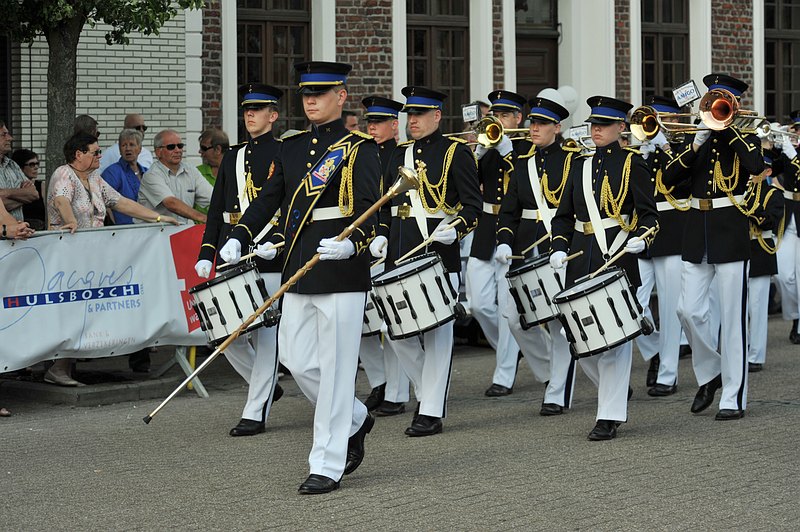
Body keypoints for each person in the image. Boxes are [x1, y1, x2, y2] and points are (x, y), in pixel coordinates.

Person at [221, 61, 381, 494]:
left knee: (335, 368)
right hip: (298, 263)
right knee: (295, 358)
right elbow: (269, 200)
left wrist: (354, 244)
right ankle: (354, 417)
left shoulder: (360, 149)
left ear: (341, 96)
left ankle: (325, 463)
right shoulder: (289, 149)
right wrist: (238, 234)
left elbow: (371, 206)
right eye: (306, 93)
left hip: (342, 268)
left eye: (321, 93)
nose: (310, 100)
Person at [549, 95, 658, 440]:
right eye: (594, 124)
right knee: (578, 339)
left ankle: (608, 414)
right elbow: (564, 216)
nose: (596, 130)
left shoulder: (633, 163)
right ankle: (615, 391)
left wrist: (642, 237)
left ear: (621, 128)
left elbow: (650, 215)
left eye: (604, 125)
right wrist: (559, 246)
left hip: (619, 255)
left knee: (613, 340)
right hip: (581, 257)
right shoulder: (578, 165)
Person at [374, 86, 482, 437]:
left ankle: (432, 410)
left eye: (420, 115)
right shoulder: (398, 154)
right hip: (399, 256)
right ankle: (426, 391)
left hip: (439, 257)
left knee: (438, 337)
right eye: (410, 116)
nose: (413, 122)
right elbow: (386, 205)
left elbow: (472, 207)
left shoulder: (456, 153)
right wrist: (379, 236)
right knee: (396, 331)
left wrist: (458, 228)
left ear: (437, 116)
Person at [662, 74, 764, 421]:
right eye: (713, 101)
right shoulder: (696, 136)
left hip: (730, 230)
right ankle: (711, 372)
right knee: (686, 311)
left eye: (722, 102)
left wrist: (728, 128)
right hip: (696, 229)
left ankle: (733, 396)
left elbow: (755, 167)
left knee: (733, 319)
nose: (715, 107)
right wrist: (695, 145)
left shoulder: (746, 136)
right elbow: (669, 180)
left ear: (734, 105)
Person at [46, 132, 179, 386]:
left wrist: (158, 218)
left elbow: (121, 202)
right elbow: (61, 199)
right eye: (95, 152)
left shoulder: (94, 177)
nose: (100, 156)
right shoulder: (64, 173)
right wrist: (70, 220)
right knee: (72, 310)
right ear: (78, 155)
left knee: (87, 309)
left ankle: (68, 365)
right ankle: (58, 367)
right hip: (67, 258)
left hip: (92, 257)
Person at [195, 83, 284, 437]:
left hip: (268, 251)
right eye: (247, 108)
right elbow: (217, 209)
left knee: (266, 338)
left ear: (272, 115)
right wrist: (207, 253)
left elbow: (289, 208)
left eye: (258, 109)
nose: (250, 114)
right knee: (225, 333)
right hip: (234, 249)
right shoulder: (233, 155)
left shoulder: (284, 152)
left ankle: (255, 410)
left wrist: (278, 242)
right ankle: (266, 386)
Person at [495, 95, 579, 416]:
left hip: (560, 246)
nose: (534, 128)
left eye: (541, 124)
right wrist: (504, 241)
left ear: (557, 127)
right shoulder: (523, 164)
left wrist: (564, 244)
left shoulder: (573, 160)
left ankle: (557, 392)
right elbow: (509, 211)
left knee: (560, 323)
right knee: (515, 319)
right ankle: (548, 373)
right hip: (525, 249)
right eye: (532, 122)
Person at [467, 90, 526, 397]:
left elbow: (527, 184)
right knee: (478, 303)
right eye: (495, 115)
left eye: (504, 116)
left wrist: (508, 152)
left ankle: (504, 373)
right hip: (487, 226)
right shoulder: (488, 146)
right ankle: (510, 347)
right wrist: (474, 154)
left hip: (513, 229)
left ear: (518, 118)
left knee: (506, 306)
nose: (498, 121)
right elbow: (465, 182)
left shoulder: (526, 147)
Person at [634, 95, 692, 396]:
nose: (653, 124)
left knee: (670, 308)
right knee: (633, 303)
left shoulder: (685, 147)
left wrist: (666, 148)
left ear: (675, 120)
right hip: (643, 233)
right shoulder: (640, 149)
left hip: (672, 231)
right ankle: (654, 350)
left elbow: (685, 180)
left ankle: (668, 374)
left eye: (661, 118)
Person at [358, 95, 410, 416]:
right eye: (369, 123)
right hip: (359, 245)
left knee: (389, 323)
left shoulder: (402, 156)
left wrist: (386, 236)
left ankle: (396, 391)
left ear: (395, 125)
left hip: (388, 244)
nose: (372, 128)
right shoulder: (361, 154)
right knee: (360, 322)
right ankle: (379, 382)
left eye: (379, 123)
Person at [746, 155, 785, 372]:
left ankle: (756, 355)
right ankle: (743, 347)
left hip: (761, 250)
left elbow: (770, 219)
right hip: (740, 250)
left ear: (768, 172)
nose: (751, 172)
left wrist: (748, 212)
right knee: (740, 307)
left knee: (758, 306)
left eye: (757, 168)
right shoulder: (741, 190)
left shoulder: (773, 194)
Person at [137, 129, 212, 224]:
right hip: (154, 234)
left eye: (180, 146)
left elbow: (212, 197)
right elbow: (171, 203)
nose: (177, 150)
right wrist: (204, 218)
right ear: (158, 152)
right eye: (171, 147)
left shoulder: (191, 170)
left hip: (180, 232)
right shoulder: (151, 175)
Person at [774, 109, 800, 344]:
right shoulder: (790, 150)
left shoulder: (795, 153)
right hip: (788, 214)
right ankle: (795, 315)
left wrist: (793, 154)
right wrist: (774, 140)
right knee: (784, 276)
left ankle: (799, 325)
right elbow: (771, 167)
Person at [101, 129, 148, 225]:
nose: (127, 148)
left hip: (148, 229)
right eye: (124, 145)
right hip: (122, 231)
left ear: (139, 149)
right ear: (119, 150)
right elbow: (105, 204)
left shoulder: (147, 173)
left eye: (132, 144)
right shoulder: (112, 172)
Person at [0, 120, 39, 222]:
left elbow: (33, 194)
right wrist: (22, 196)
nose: (10, 138)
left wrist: (5, 193)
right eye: (4, 134)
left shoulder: (12, 165)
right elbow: (28, 196)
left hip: (19, 234)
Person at [11, 148, 46, 230]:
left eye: (37, 164)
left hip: (39, 230)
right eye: (31, 164)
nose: (36, 167)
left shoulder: (41, 186)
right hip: (18, 228)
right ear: (20, 167)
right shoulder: (12, 186)